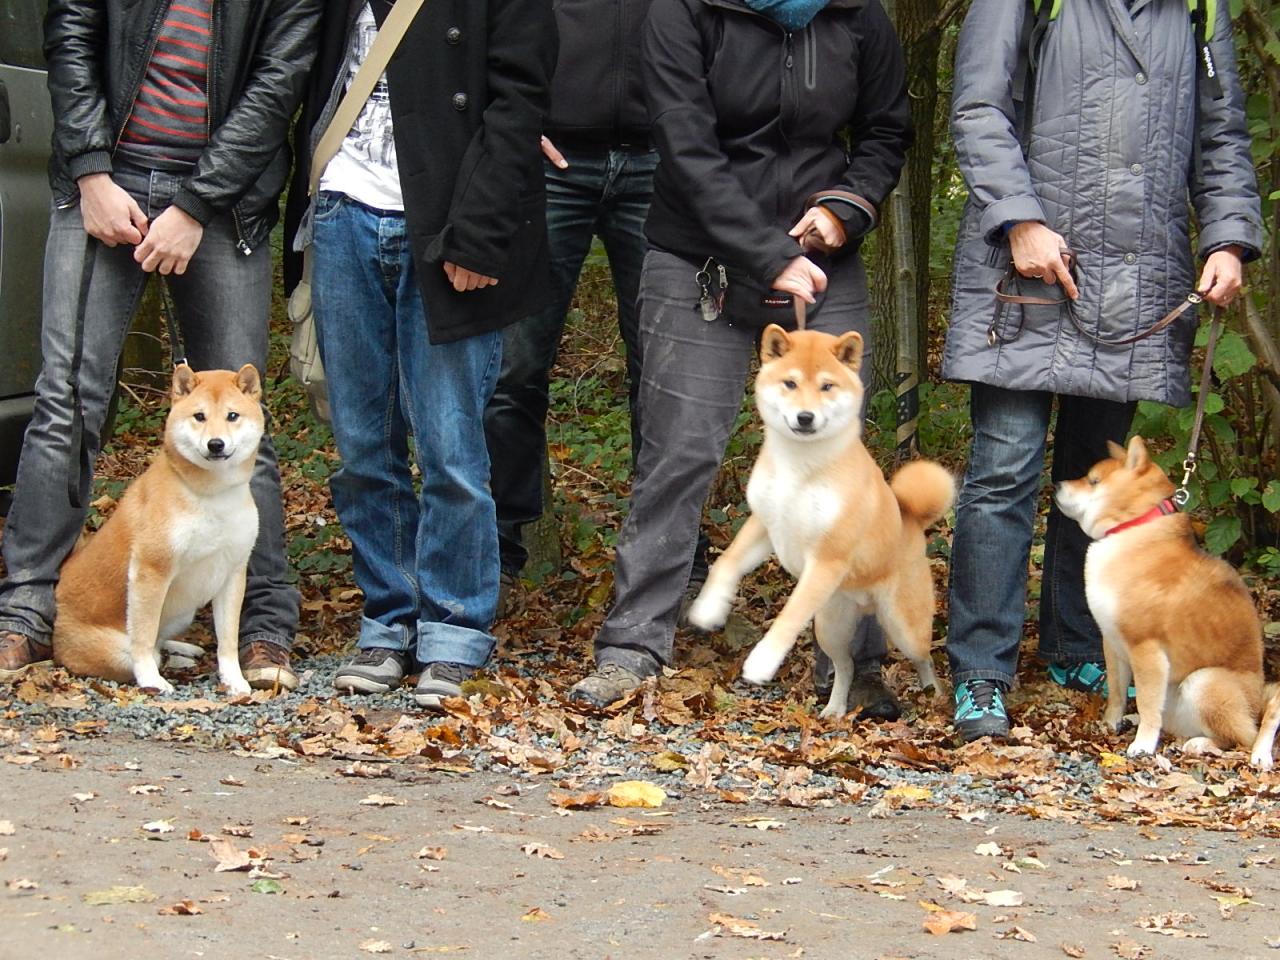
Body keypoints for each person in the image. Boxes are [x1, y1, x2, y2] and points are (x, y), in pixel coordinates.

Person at [567, 0, 913, 709]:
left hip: (823, 262)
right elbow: (687, 148)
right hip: (699, 261)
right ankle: (631, 646)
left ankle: (852, 663)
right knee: (679, 454)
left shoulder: (857, 16)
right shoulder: (681, 13)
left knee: (846, 473)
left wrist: (844, 209)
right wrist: (767, 254)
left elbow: (886, 129)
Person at [942, 0, 1263, 741]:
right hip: (1022, 269)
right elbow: (980, 108)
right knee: (1005, 471)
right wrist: (1019, 220)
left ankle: (1075, 652)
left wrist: (1227, 240)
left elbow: (1221, 136)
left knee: (1099, 481)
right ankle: (982, 674)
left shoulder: (1197, 6)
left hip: (1136, 283)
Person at [0, 0, 319, 689]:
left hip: (224, 203)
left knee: (238, 419)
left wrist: (196, 204)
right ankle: (26, 611)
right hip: (104, 185)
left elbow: (277, 80)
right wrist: (89, 169)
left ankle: (264, 627)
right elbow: (73, 35)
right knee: (67, 401)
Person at [286, 0, 556, 707]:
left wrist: (480, 233)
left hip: (446, 224)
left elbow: (519, 101)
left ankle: (454, 630)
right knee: (362, 449)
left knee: (451, 450)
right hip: (343, 213)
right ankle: (388, 621)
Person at [482, 0, 658, 616]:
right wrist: (511, 123)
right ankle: (499, 553)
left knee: (664, 377)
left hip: (660, 163)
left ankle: (669, 561)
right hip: (550, 161)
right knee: (513, 370)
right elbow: (482, 28)